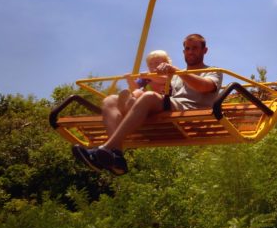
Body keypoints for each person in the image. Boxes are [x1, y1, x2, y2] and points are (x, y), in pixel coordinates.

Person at [72, 33, 222, 175]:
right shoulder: (176, 76)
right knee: (110, 100)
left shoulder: (212, 71)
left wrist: (176, 72)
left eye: (195, 48)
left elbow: (204, 87)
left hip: (192, 110)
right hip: (171, 107)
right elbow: (163, 93)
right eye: (187, 49)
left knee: (149, 97)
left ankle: (106, 148)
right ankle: (117, 156)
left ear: (205, 50)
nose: (190, 52)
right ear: (183, 52)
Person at [117, 49, 172, 114]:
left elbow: (164, 80)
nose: (153, 65)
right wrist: (129, 79)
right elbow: (135, 87)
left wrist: (149, 76)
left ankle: (130, 103)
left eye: (157, 63)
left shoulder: (167, 74)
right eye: (150, 64)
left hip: (163, 101)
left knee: (142, 93)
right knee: (138, 91)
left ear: (166, 64)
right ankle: (128, 102)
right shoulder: (146, 78)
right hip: (145, 99)